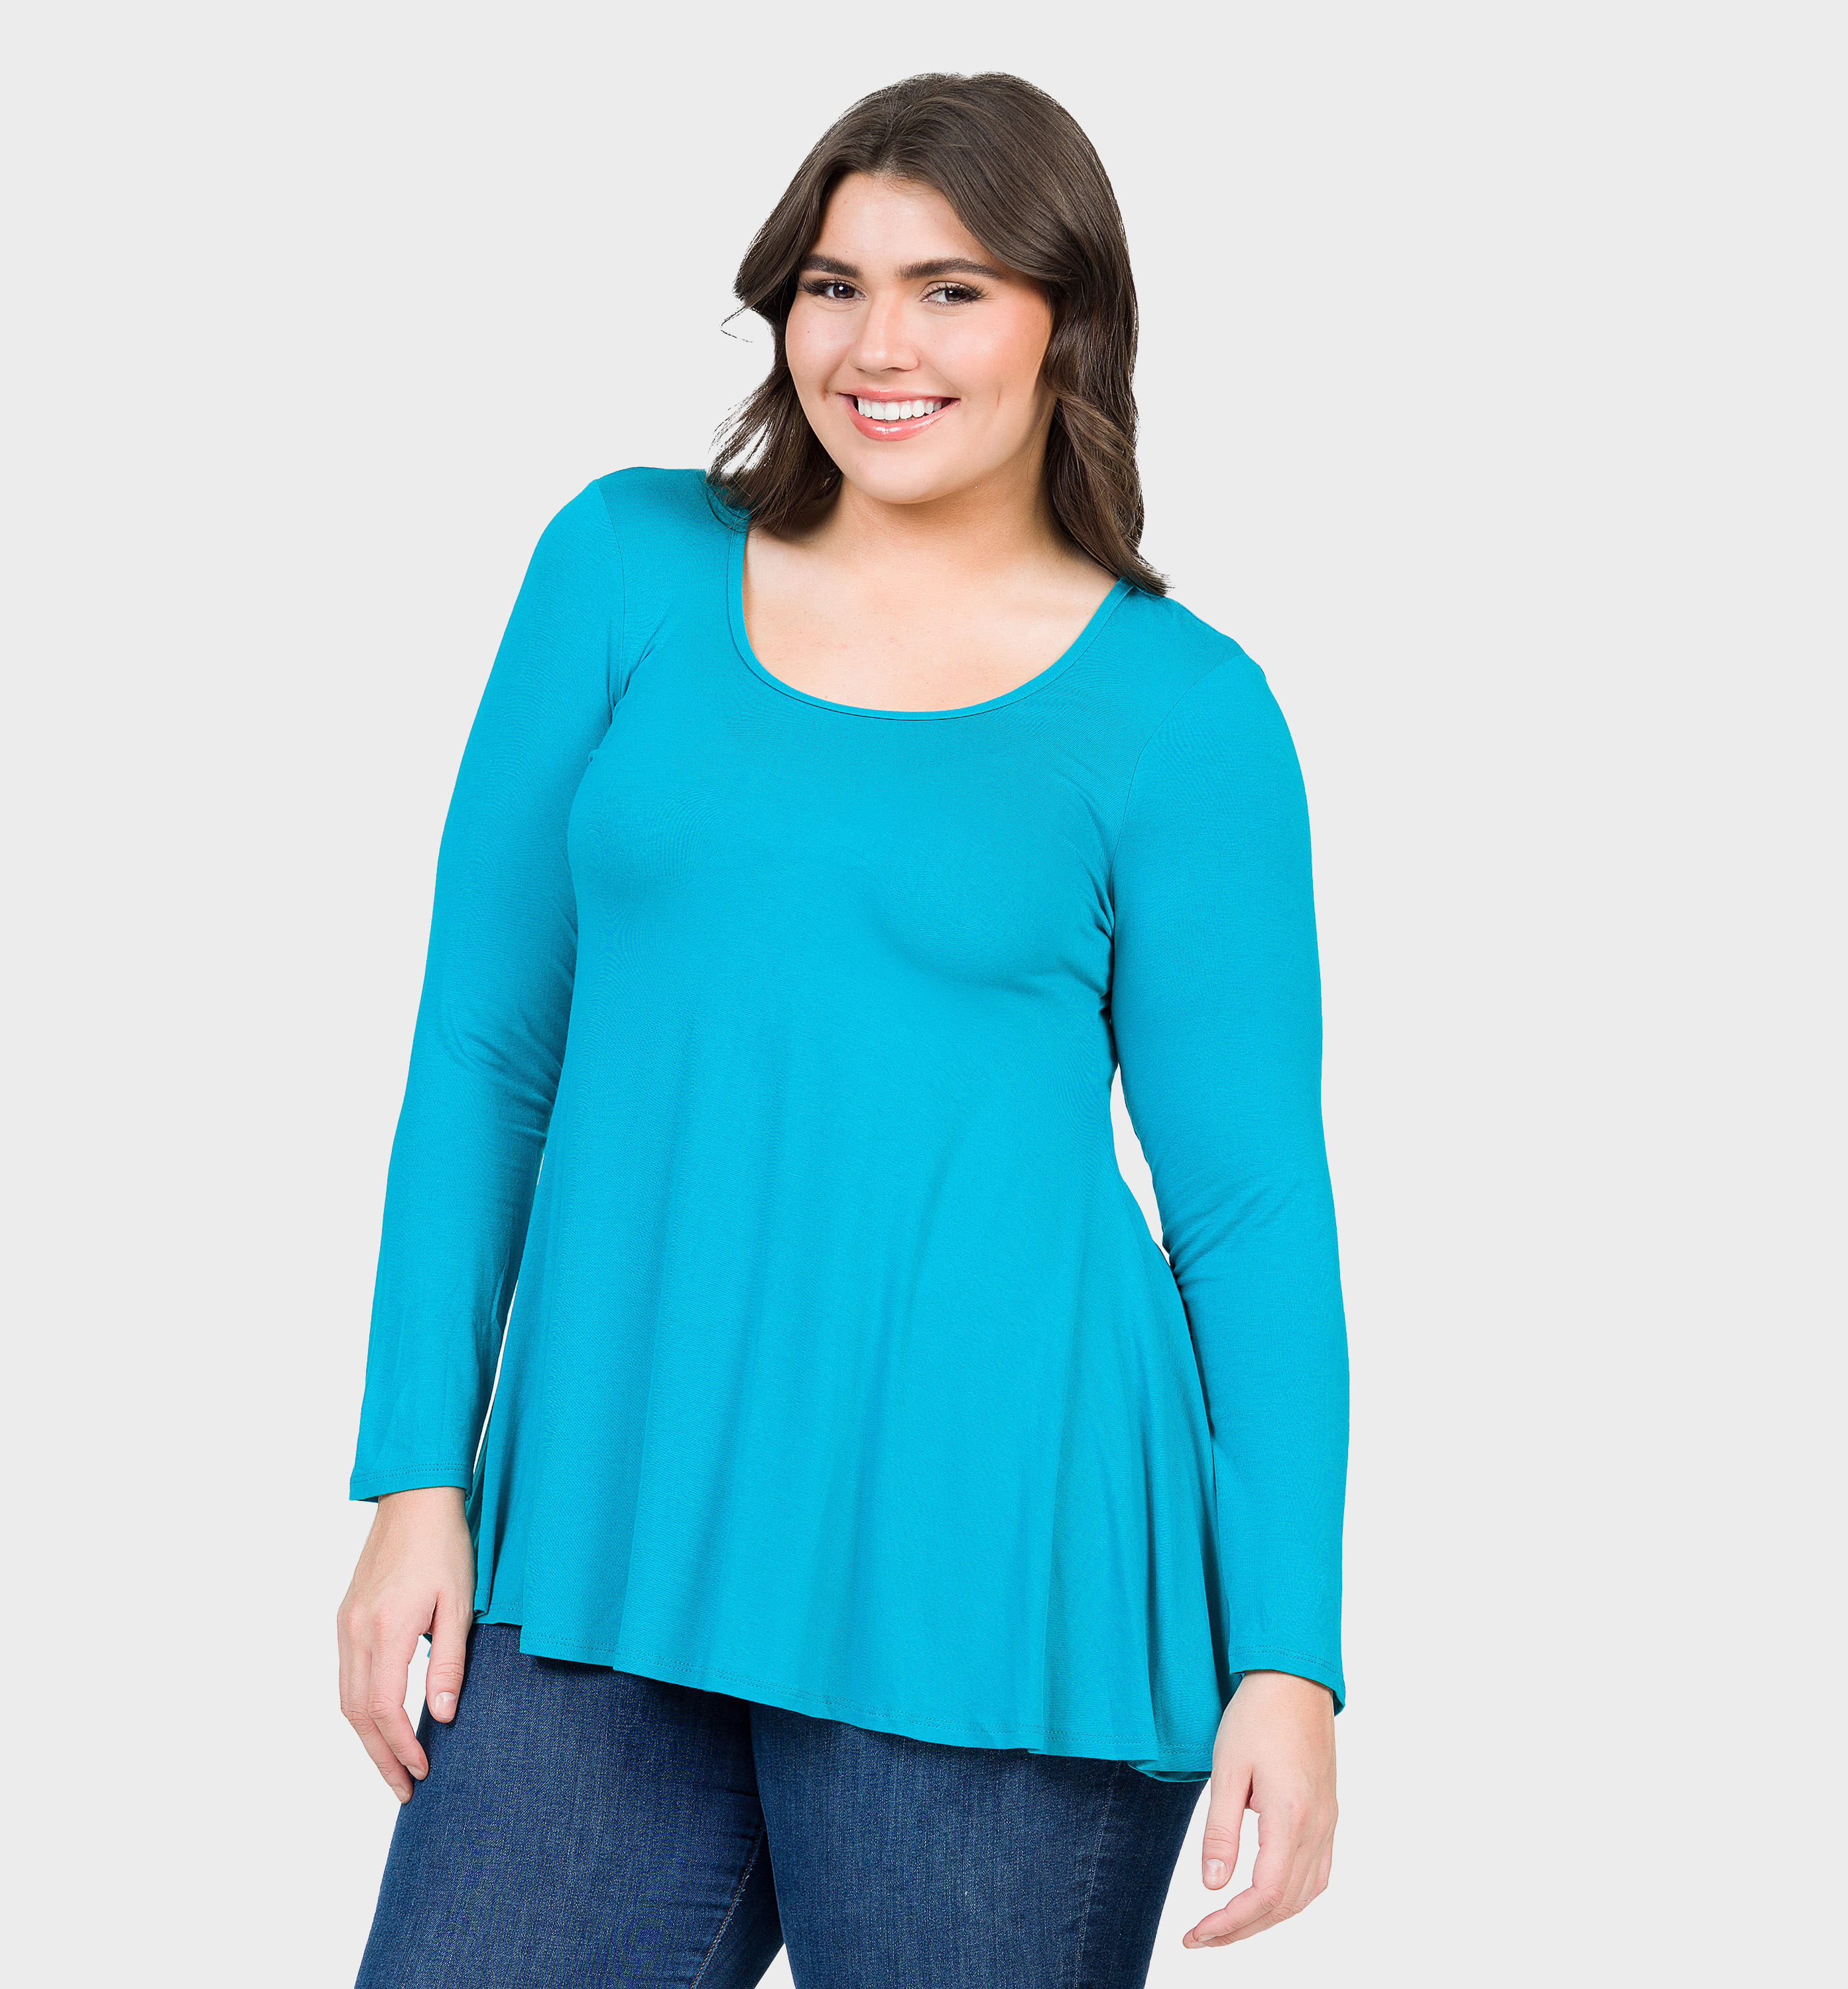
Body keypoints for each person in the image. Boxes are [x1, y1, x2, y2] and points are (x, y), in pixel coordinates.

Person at [338, 69, 1349, 1988]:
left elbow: (1250, 1217)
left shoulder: (1183, 711)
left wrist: (1289, 1661)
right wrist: (414, 1480)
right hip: (608, 1521)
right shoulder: (622, 567)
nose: (879, 345)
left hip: (1004, 1561)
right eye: (834, 284)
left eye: (951, 289)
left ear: (1068, 321)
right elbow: (484, 1053)